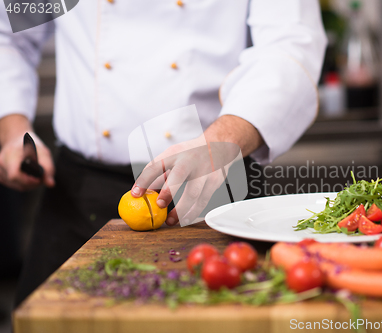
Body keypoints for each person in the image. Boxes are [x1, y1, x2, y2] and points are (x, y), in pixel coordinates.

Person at [0, 0, 327, 306]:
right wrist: (13, 128)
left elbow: (291, 44)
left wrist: (222, 140)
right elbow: (11, 32)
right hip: (78, 193)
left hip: (215, 186)